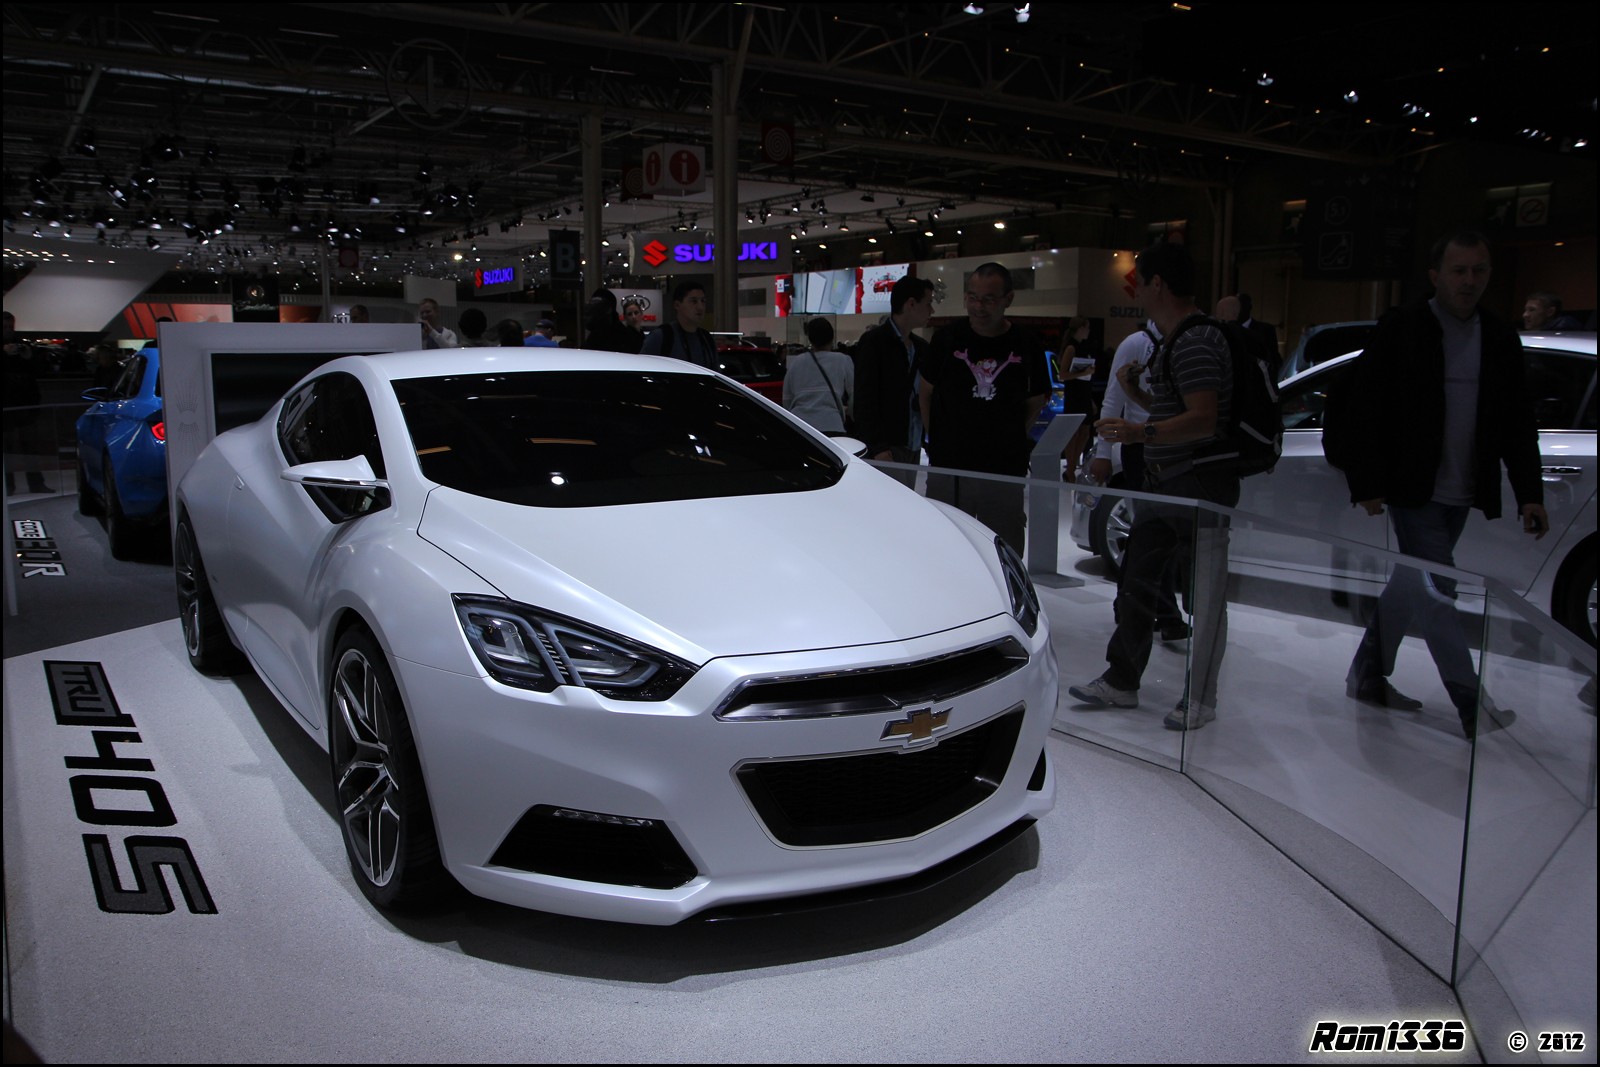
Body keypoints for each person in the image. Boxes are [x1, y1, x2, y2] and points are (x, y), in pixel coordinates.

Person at [1339, 229, 1546, 740]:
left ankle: (1367, 672)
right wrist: (1365, 479)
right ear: (1436, 276)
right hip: (1413, 491)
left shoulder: (1499, 338)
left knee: (1414, 582)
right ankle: (1472, 702)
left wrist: (1530, 492)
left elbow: (1518, 421)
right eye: (1459, 270)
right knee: (1438, 589)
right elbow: (1359, 406)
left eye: (1479, 271)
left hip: (1462, 491)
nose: (1469, 281)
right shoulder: (1404, 328)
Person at [1068, 241, 1238, 731]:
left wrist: (1138, 432)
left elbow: (1204, 419)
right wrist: (1142, 396)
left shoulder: (1197, 340)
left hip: (1200, 487)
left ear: (1158, 283)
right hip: (1166, 484)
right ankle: (1122, 679)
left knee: (1204, 599)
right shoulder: (1172, 339)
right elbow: (1179, 408)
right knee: (1137, 580)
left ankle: (1201, 698)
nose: (1135, 289)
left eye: (1140, 281)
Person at [917, 262, 1051, 553]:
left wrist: (1009, 436)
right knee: (945, 546)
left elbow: (1036, 400)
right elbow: (925, 392)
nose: (979, 306)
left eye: (989, 299)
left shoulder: (1026, 344)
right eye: (972, 297)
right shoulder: (947, 338)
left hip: (1002, 469)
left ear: (1008, 299)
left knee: (1002, 550)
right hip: (949, 467)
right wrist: (937, 438)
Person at [1087, 319, 1189, 643]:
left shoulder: (1181, 340)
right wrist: (1103, 451)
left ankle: (1138, 607)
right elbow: (1113, 399)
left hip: (1169, 448)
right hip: (1138, 449)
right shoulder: (1135, 344)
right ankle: (1158, 611)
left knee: (1158, 533)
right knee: (1147, 532)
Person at [852, 275, 934, 466]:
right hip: (886, 448)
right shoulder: (874, 342)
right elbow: (865, 398)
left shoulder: (921, 347)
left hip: (913, 444)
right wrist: (877, 446)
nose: (932, 310)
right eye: (928, 303)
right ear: (911, 304)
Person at [4, 310, 50, 495]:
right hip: (6, 405)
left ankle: (36, 483)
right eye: (5, 327)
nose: (8, 330)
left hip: (26, 403)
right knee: (6, 449)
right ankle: (8, 486)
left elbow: (41, 371)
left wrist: (29, 357)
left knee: (30, 446)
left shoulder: (22, 346)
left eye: (10, 327)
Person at [783, 317, 854, 435]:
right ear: (832, 338)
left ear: (810, 339)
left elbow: (787, 399)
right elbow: (854, 395)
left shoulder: (796, 362)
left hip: (800, 425)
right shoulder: (843, 360)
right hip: (832, 424)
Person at [1055, 316, 1097, 482]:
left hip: (1084, 393)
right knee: (1074, 432)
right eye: (1087, 327)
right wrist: (1083, 373)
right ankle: (1070, 469)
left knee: (1085, 431)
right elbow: (1062, 375)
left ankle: (1072, 466)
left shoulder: (1083, 347)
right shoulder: (1071, 348)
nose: (1089, 331)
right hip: (1074, 394)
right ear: (1081, 327)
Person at [640, 281, 715, 366]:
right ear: (677, 305)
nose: (700, 307)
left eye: (703, 301)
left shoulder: (706, 338)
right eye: (694, 301)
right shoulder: (662, 336)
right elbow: (643, 370)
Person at [581, 289, 644, 354]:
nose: (634, 317)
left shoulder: (623, 336)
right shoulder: (623, 334)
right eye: (629, 314)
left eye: (636, 313)